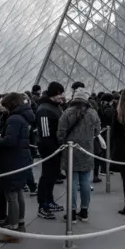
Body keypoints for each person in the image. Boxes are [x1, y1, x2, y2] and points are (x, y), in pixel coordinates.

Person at [0, 93, 34, 243]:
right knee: (18, 192)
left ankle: (13, 230)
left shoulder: (13, 118)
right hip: (21, 157)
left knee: (11, 194)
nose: (0, 106)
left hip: (12, 159)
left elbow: (10, 141)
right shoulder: (23, 116)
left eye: (3, 104)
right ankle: (19, 223)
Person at [58, 89, 101, 222]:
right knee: (85, 182)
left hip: (70, 151)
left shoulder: (66, 113)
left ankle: (71, 212)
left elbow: (60, 134)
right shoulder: (93, 113)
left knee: (72, 182)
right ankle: (84, 211)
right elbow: (97, 131)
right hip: (87, 150)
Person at [36, 82, 65, 220]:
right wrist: (54, 151)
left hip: (56, 148)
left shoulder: (54, 107)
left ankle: (49, 200)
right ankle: (43, 205)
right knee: (46, 176)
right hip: (50, 149)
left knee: (52, 176)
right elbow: (45, 134)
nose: (61, 96)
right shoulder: (44, 110)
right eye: (59, 94)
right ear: (53, 94)